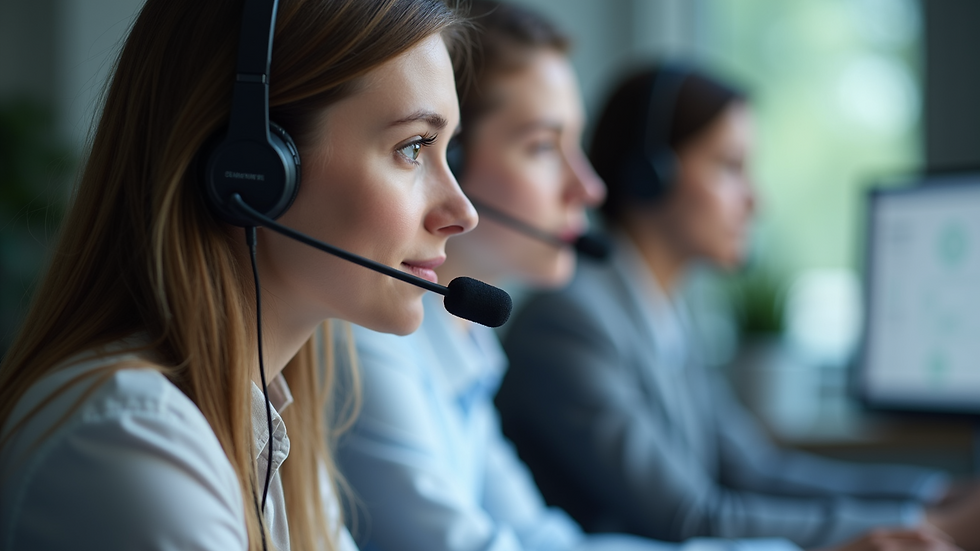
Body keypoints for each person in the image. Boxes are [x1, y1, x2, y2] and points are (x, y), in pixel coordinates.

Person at [335, 4, 958, 551]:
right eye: (543, 147)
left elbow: (545, 539)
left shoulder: (473, 344)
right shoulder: (535, 325)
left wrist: (930, 506)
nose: (588, 187)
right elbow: (682, 515)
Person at [0, 0, 477, 549]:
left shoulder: (271, 437)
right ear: (253, 170)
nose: (463, 212)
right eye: (413, 147)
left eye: (448, 150)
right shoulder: (127, 439)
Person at [495, 65, 980, 551]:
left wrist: (933, 496)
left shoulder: (661, 314)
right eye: (729, 166)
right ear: (649, 176)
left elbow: (756, 470)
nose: (755, 200)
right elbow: (691, 518)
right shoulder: (568, 322)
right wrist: (931, 529)